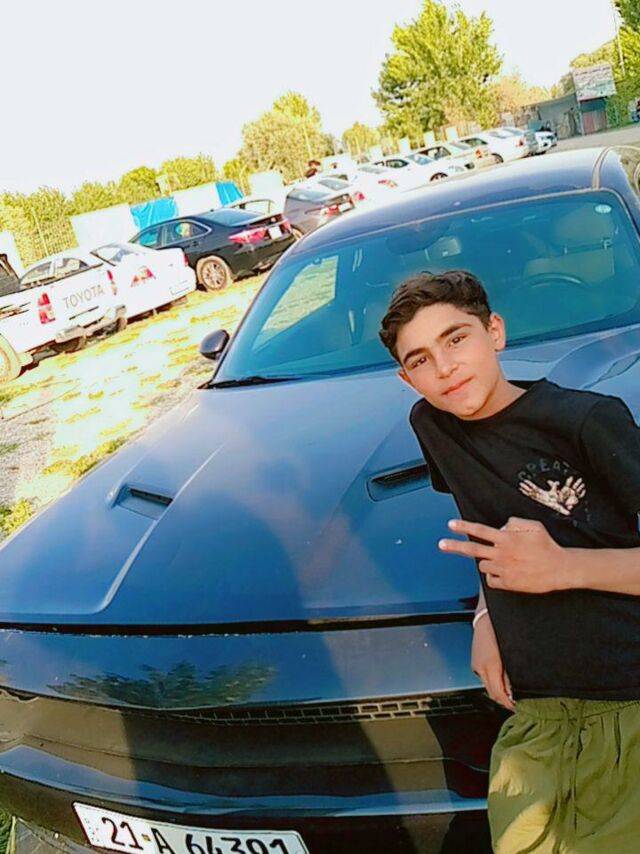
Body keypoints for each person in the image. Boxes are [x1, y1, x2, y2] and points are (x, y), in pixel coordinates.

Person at [378, 270, 640, 853]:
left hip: (627, 699)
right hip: (536, 717)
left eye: (456, 338)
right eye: (420, 360)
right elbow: (490, 527)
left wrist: (565, 568)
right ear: (406, 378)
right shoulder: (433, 424)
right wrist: (486, 617)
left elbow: (546, 558)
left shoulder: (586, 421)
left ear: (494, 331)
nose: (444, 368)